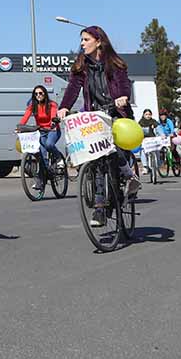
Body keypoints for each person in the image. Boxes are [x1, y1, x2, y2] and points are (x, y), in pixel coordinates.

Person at [56, 25, 140, 227]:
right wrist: (64, 107)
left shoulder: (115, 64)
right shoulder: (81, 66)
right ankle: (100, 207)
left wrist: (122, 97)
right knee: (98, 157)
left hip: (116, 112)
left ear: (98, 41)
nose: (82, 44)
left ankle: (129, 176)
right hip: (95, 115)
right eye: (82, 40)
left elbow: (123, 84)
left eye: (86, 40)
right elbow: (73, 88)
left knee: (112, 148)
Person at [17, 85, 61, 192]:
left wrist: (53, 124)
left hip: (53, 130)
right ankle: (41, 181)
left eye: (40, 93)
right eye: (36, 94)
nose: (38, 96)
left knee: (49, 144)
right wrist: (19, 127)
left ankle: (59, 159)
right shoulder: (33, 105)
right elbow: (25, 117)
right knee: (41, 156)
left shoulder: (52, 104)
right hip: (40, 131)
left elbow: (53, 116)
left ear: (45, 94)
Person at [138, 109, 160, 173]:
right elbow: (138, 131)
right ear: (143, 115)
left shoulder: (154, 121)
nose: (148, 116)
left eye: (149, 114)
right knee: (142, 151)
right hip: (144, 140)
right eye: (146, 114)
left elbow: (159, 128)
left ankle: (157, 164)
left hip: (153, 139)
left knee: (157, 150)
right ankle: (145, 167)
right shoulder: (140, 122)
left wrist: (162, 134)